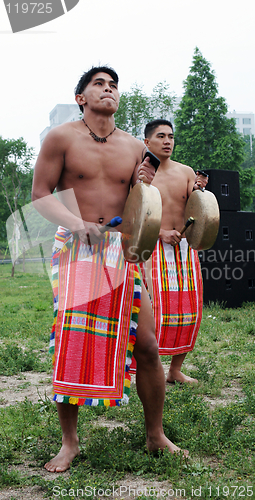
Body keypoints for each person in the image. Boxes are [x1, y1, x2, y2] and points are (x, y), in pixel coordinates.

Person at [32, 68, 188, 473]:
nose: (108, 89)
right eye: (99, 84)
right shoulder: (61, 137)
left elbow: (143, 201)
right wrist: (75, 221)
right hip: (79, 247)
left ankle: (155, 435)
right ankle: (70, 443)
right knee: (72, 346)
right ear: (81, 97)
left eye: (113, 85)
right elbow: (40, 195)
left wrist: (144, 185)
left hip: (122, 250)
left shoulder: (136, 147)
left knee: (149, 344)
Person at [141, 119, 208, 384]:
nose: (168, 141)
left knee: (189, 309)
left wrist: (199, 191)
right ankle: (150, 368)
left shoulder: (185, 171)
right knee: (154, 310)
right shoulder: (141, 174)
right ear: (147, 142)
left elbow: (195, 208)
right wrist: (160, 233)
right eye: (161, 136)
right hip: (153, 247)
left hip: (185, 247)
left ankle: (175, 370)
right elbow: (134, 215)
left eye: (171, 136)